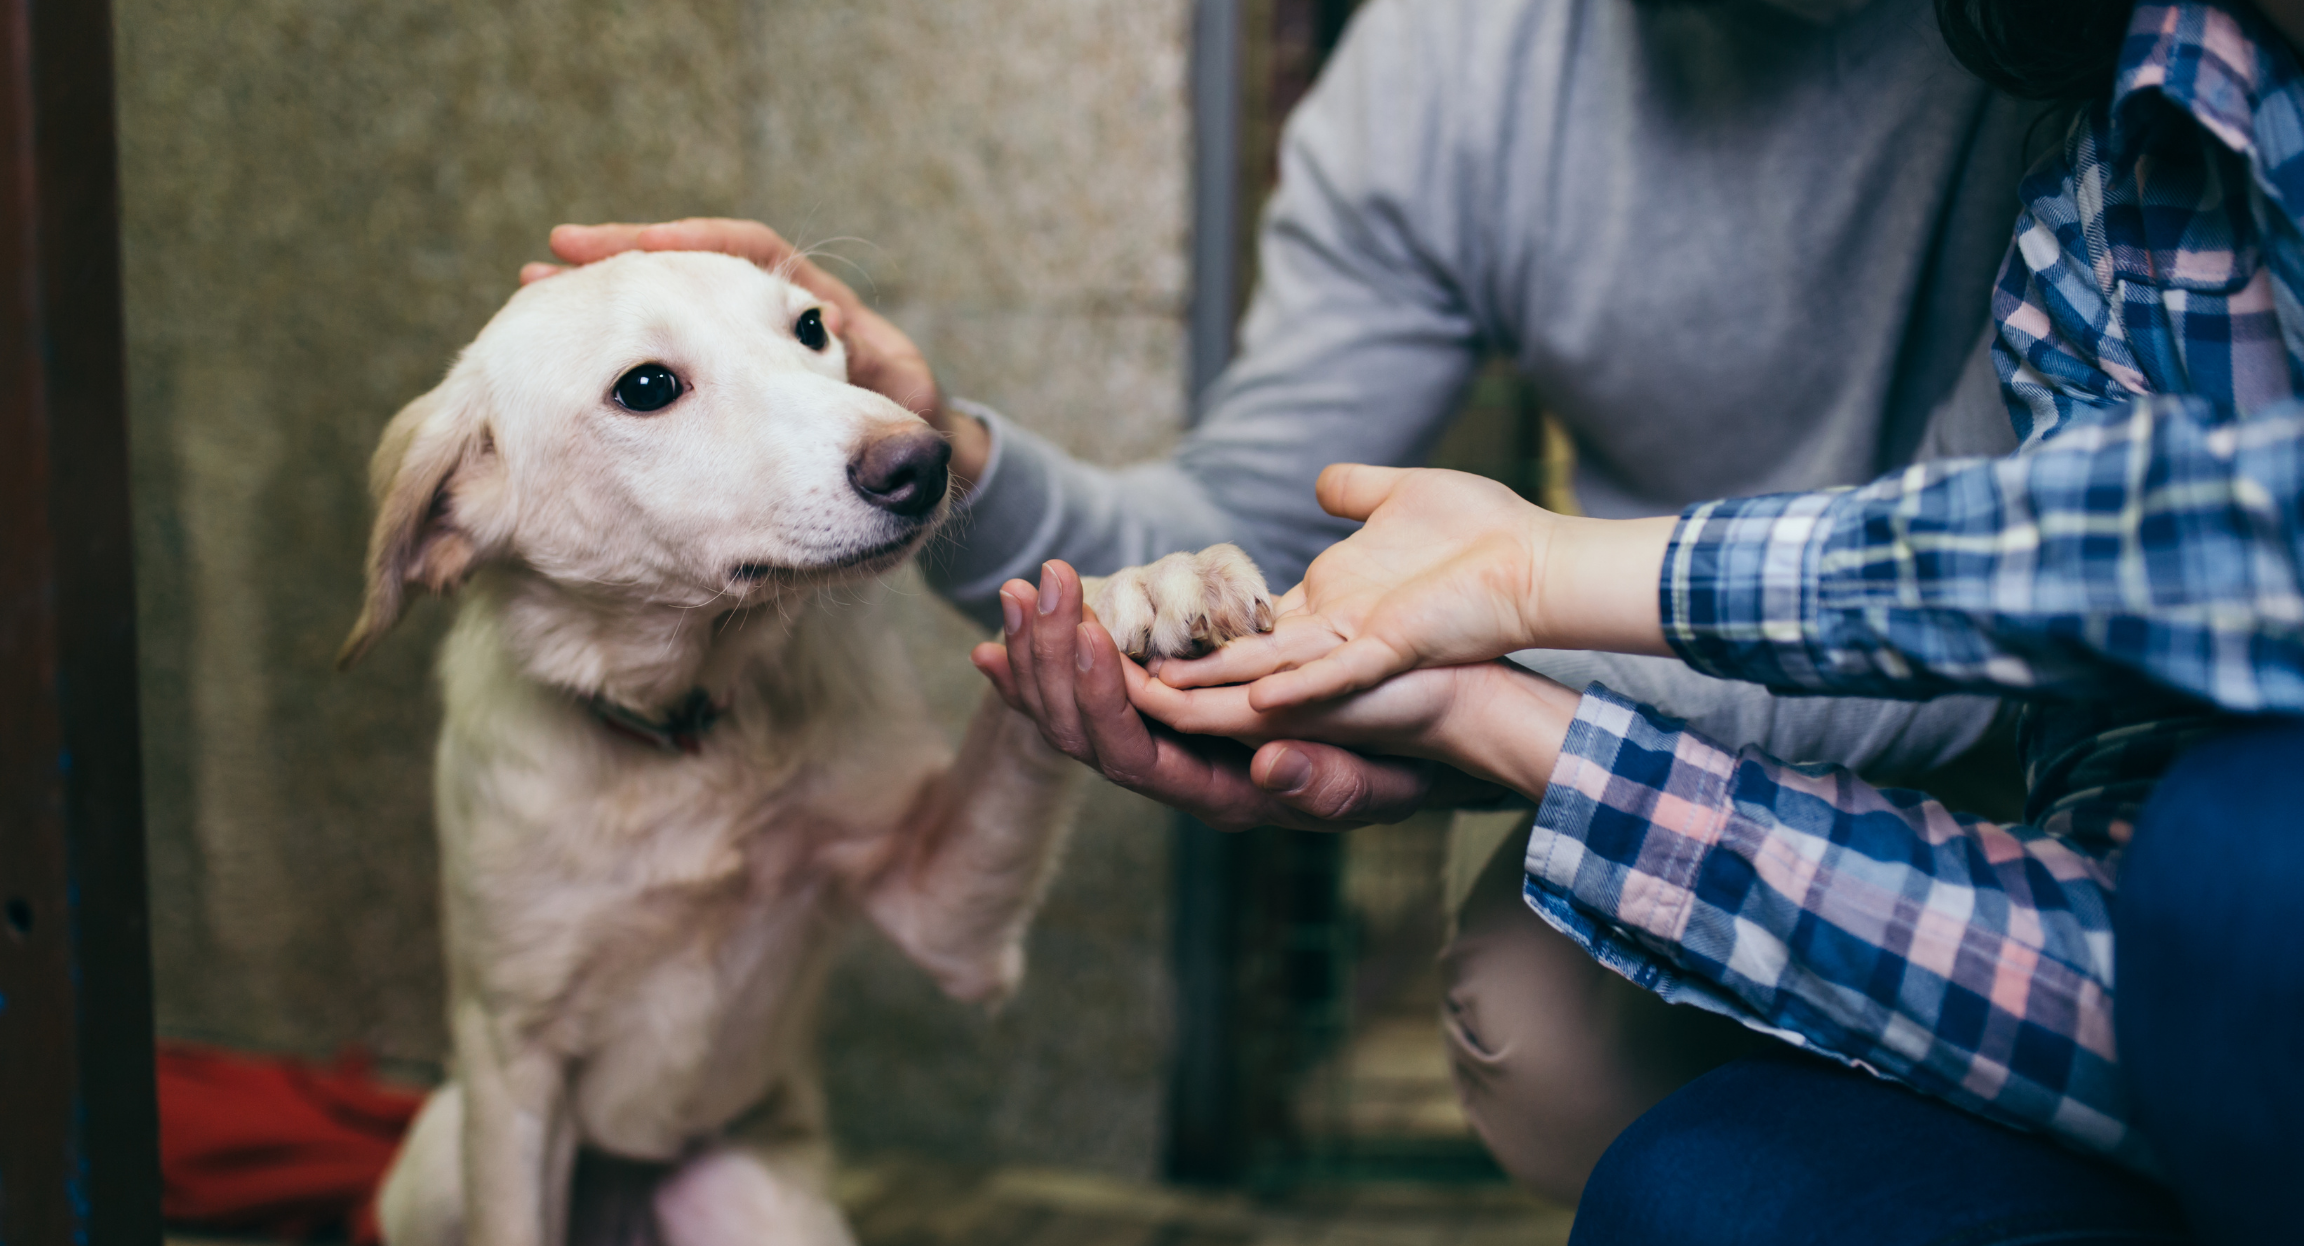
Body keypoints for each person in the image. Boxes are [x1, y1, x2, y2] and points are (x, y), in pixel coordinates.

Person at [538, 0, 2048, 1198]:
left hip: (2082, 701)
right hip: (1696, 687)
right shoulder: (1446, 64)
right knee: (1551, 1041)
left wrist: (1486, 706)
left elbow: (2042, 589)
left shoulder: (2065, 56)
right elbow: (1236, 519)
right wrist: (949, 458)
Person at [984, 0, 2304, 1239]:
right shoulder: (2124, 167)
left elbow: (2091, 572)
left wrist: (1540, 588)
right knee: (1672, 1180)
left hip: (1985, 724)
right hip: (1857, 728)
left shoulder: (2030, 79)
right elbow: (1244, 508)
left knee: (2228, 866)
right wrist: (937, 471)